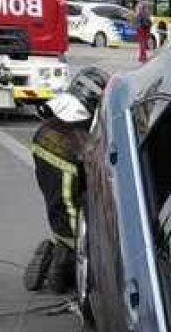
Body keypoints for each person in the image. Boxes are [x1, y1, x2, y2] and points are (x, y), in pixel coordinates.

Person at [24, 67, 110, 295]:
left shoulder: (65, 113)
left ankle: (59, 252)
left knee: (65, 208)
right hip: (63, 158)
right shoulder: (79, 125)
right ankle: (61, 260)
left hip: (43, 144)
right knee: (71, 214)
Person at [134, 0, 152, 64]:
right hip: (147, 25)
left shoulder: (139, 5)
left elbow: (136, 15)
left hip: (140, 25)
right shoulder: (148, 5)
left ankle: (142, 56)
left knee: (141, 41)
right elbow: (149, 15)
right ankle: (144, 56)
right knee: (144, 40)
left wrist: (133, 15)